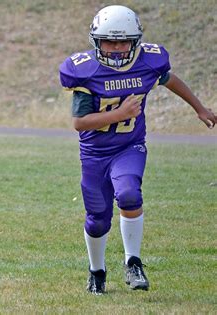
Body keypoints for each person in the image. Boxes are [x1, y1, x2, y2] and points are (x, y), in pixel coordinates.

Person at [59, 5, 216, 295]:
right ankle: (97, 270)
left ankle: (133, 261)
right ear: (96, 41)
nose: (117, 48)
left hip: (130, 145)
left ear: (136, 41)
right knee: (97, 218)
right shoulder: (85, 71)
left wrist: (199, 107)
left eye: (123, 41)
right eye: (109, 41)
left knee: (130, 193)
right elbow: (80, 122)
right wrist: (119, 114)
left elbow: (169, 78)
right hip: (95, 154)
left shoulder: (147, 63)